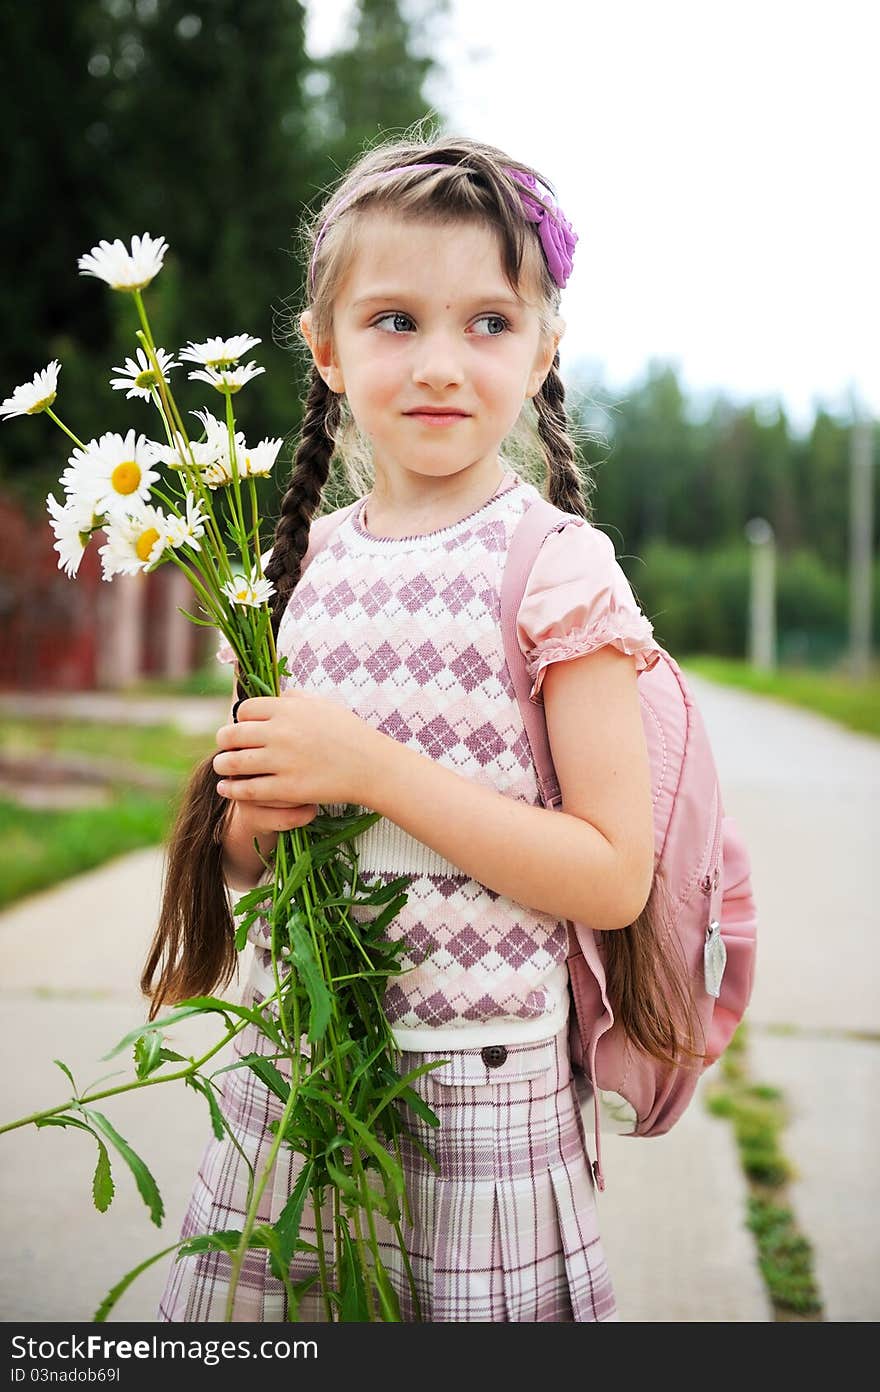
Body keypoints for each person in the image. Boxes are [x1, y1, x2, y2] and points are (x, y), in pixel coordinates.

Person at [146, 132, 682, 1324]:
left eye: (488, 323)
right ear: (325, 350)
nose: (442, 362)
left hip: (475, 1096)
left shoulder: (558, 573)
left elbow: (609, 876)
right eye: (396, 320)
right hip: (300, 1081)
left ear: (546, 346)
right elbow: (248, 857)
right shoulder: (294, 570)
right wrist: (252, 824)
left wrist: (376, 771)